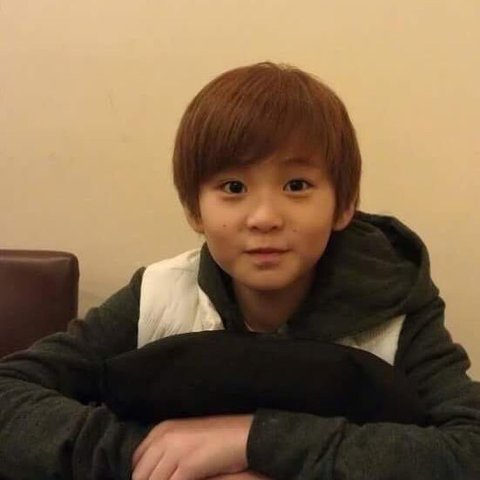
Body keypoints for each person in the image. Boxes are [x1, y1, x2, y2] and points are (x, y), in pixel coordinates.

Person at [0, 61, 479, 480]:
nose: (264, 217)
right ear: (195, 209)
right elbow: (10, 395)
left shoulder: (395, 305)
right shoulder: (159, 295)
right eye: (233, 187)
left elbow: (467, 449)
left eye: (297, 185)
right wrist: (158, 456)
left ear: (344, 204)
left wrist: (251, 440)